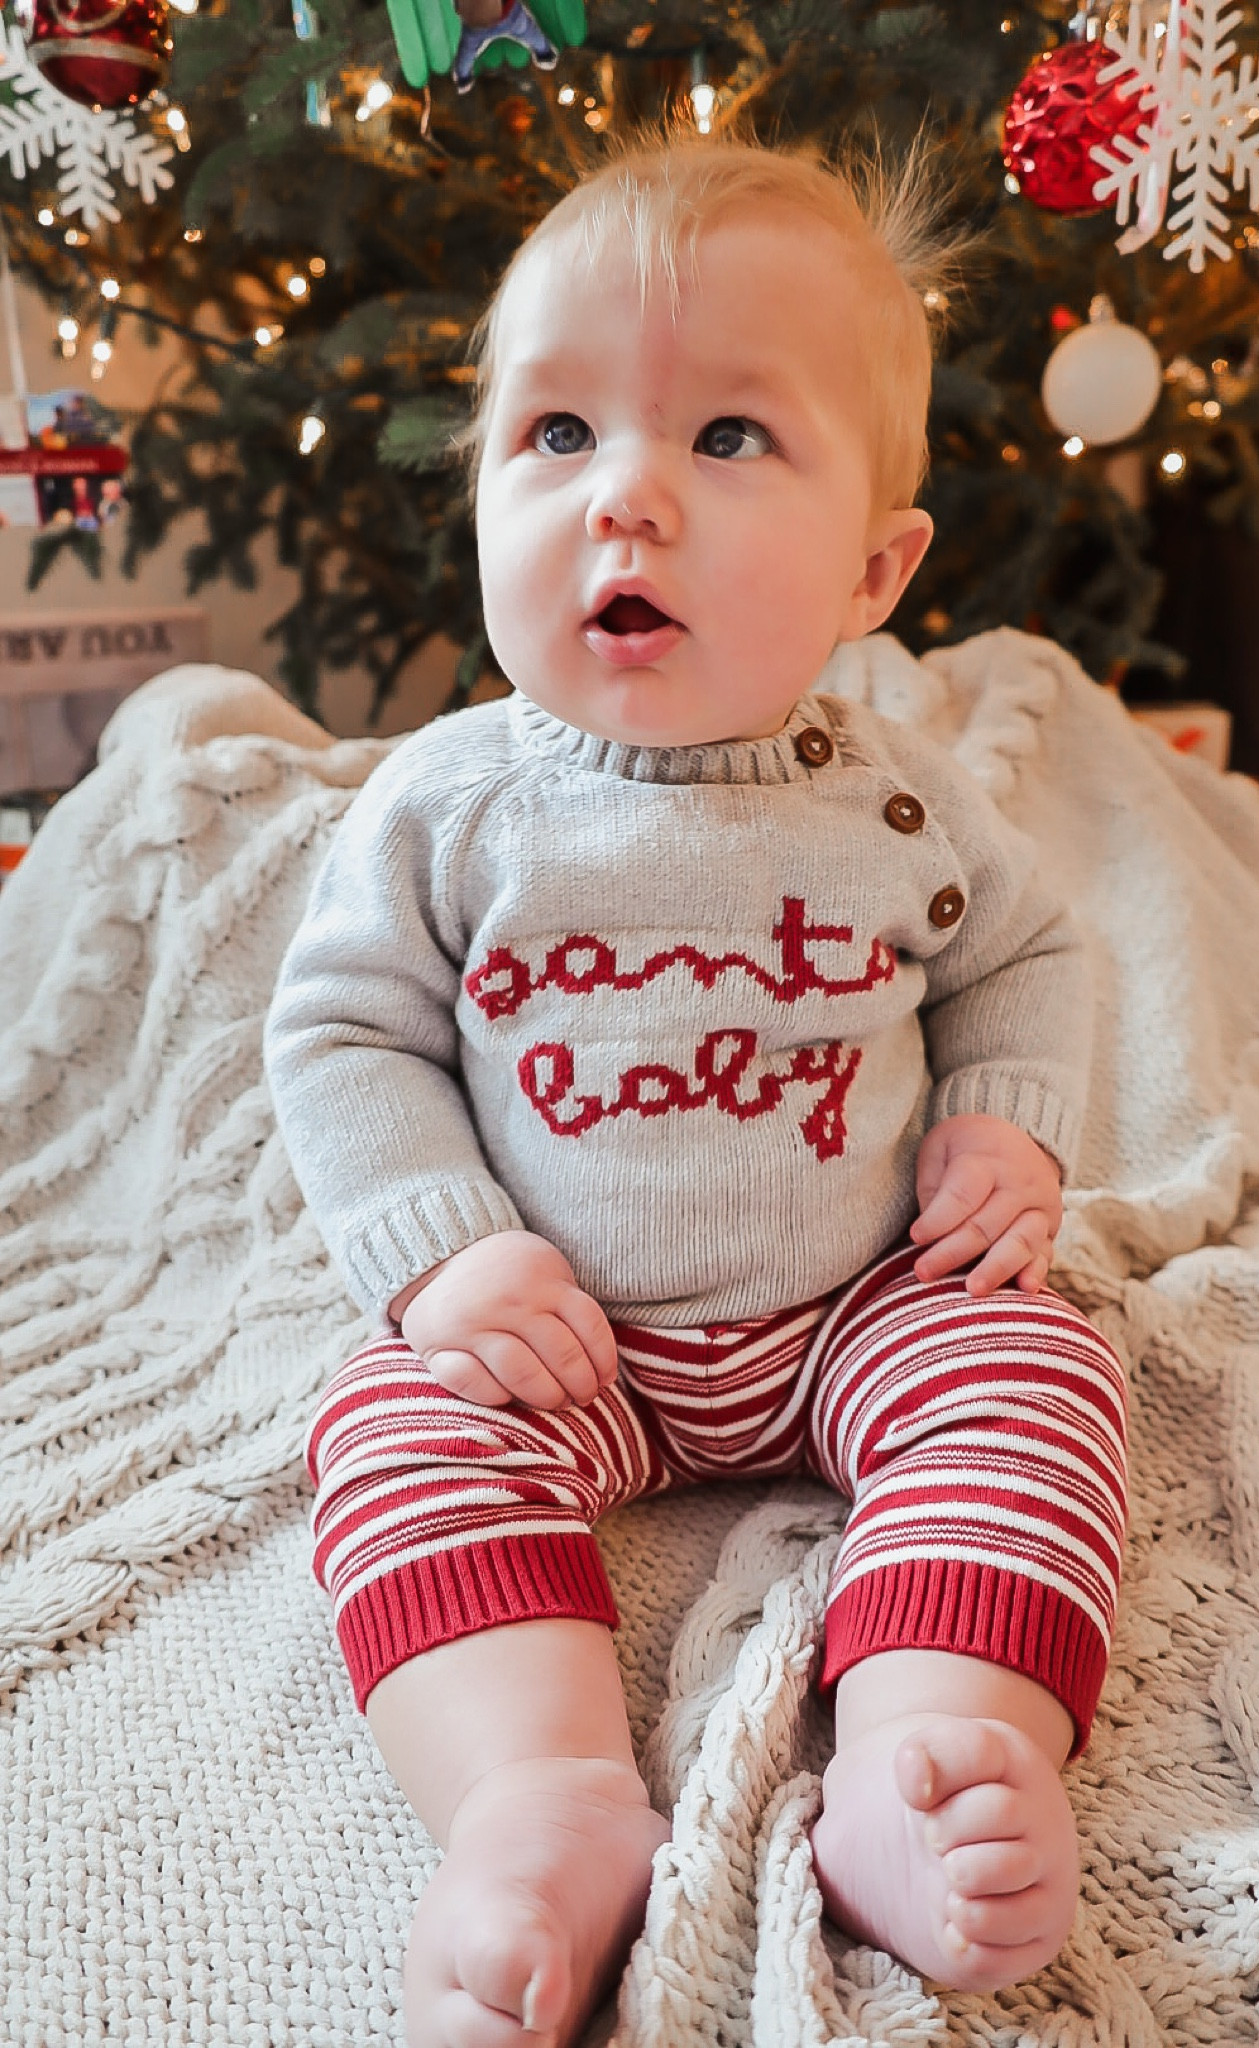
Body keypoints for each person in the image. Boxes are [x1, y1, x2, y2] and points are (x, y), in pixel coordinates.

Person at [264, 132, 1127, 2048]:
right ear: (482, 497)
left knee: (1036, 1367)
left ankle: (932, 1750)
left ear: (873, 568)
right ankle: (532, 1794)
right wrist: (450, 1265)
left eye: (728, 440)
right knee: (386, 1427)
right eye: (554, 436)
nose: (624, 499)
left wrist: (1003, 1121)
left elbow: (1031, 959)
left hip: (854, 1313)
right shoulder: (451, 806)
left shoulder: (902, 799)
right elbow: (343, 1040)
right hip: (561, 1342)